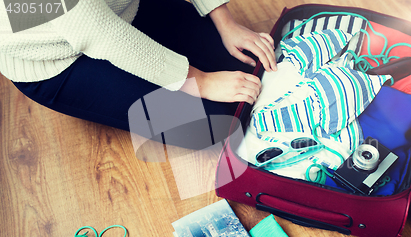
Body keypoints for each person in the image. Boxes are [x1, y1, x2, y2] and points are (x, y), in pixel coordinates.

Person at [0, 0, 277, 149]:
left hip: (122, 7)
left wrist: (225, 21)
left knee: (246, 65)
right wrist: (200, 82)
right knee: (216, 122)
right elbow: (99, 31)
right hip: (57, 56)